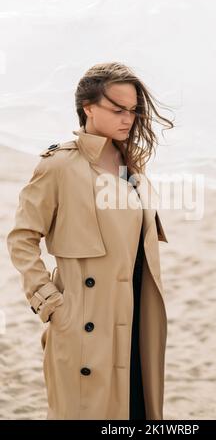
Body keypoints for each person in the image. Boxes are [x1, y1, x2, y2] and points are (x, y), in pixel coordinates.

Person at [6, 62, 172, 420]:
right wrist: (50, 302)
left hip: (137, 314)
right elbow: (22, 238)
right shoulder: (59, 166)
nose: (128, 119)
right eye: (117, 110)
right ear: (88, 108)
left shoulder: (132, 164)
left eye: (133, 110)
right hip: (84, 322)